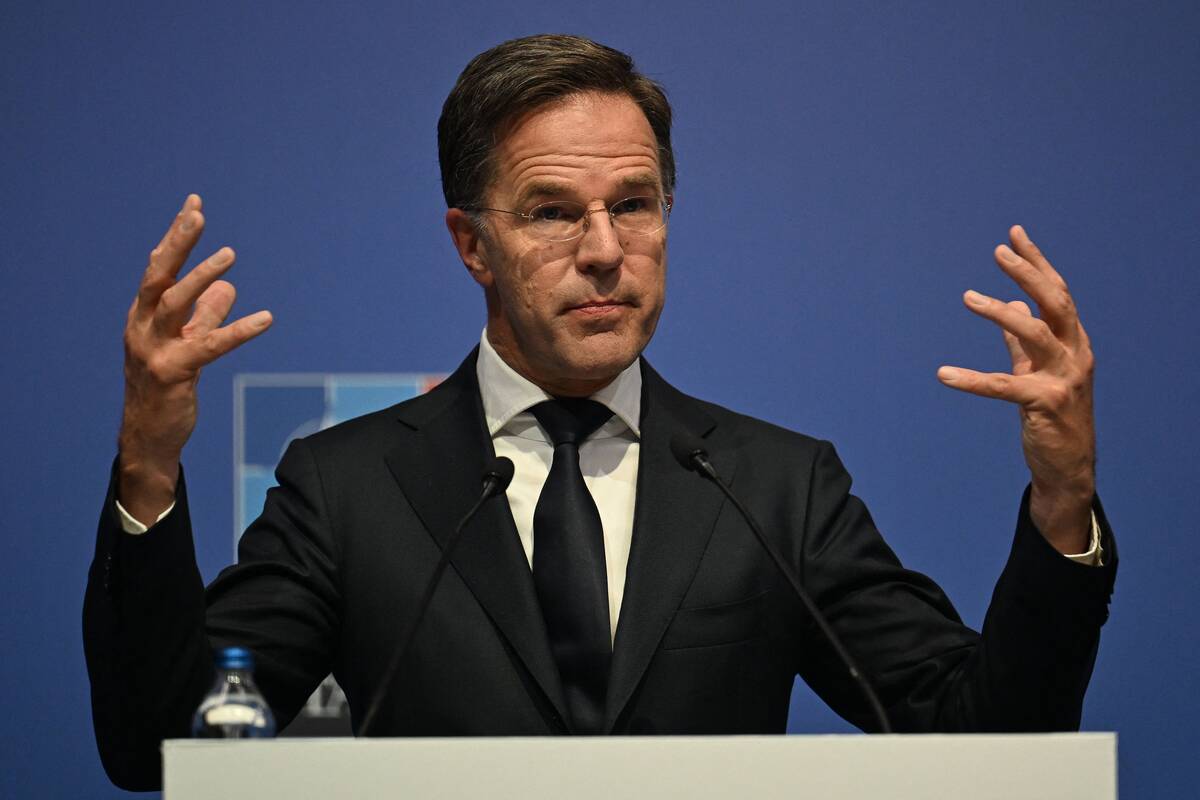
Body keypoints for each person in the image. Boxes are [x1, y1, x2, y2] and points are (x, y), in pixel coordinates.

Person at [84, 34, 1116, 791]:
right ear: (471, 244)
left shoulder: (775, 487)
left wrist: (1063, 500)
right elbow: (162, 745)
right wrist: (148, 469)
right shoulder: (347, 489)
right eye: (552, 212)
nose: (606, 250)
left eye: (634, 203)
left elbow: (988, 735)